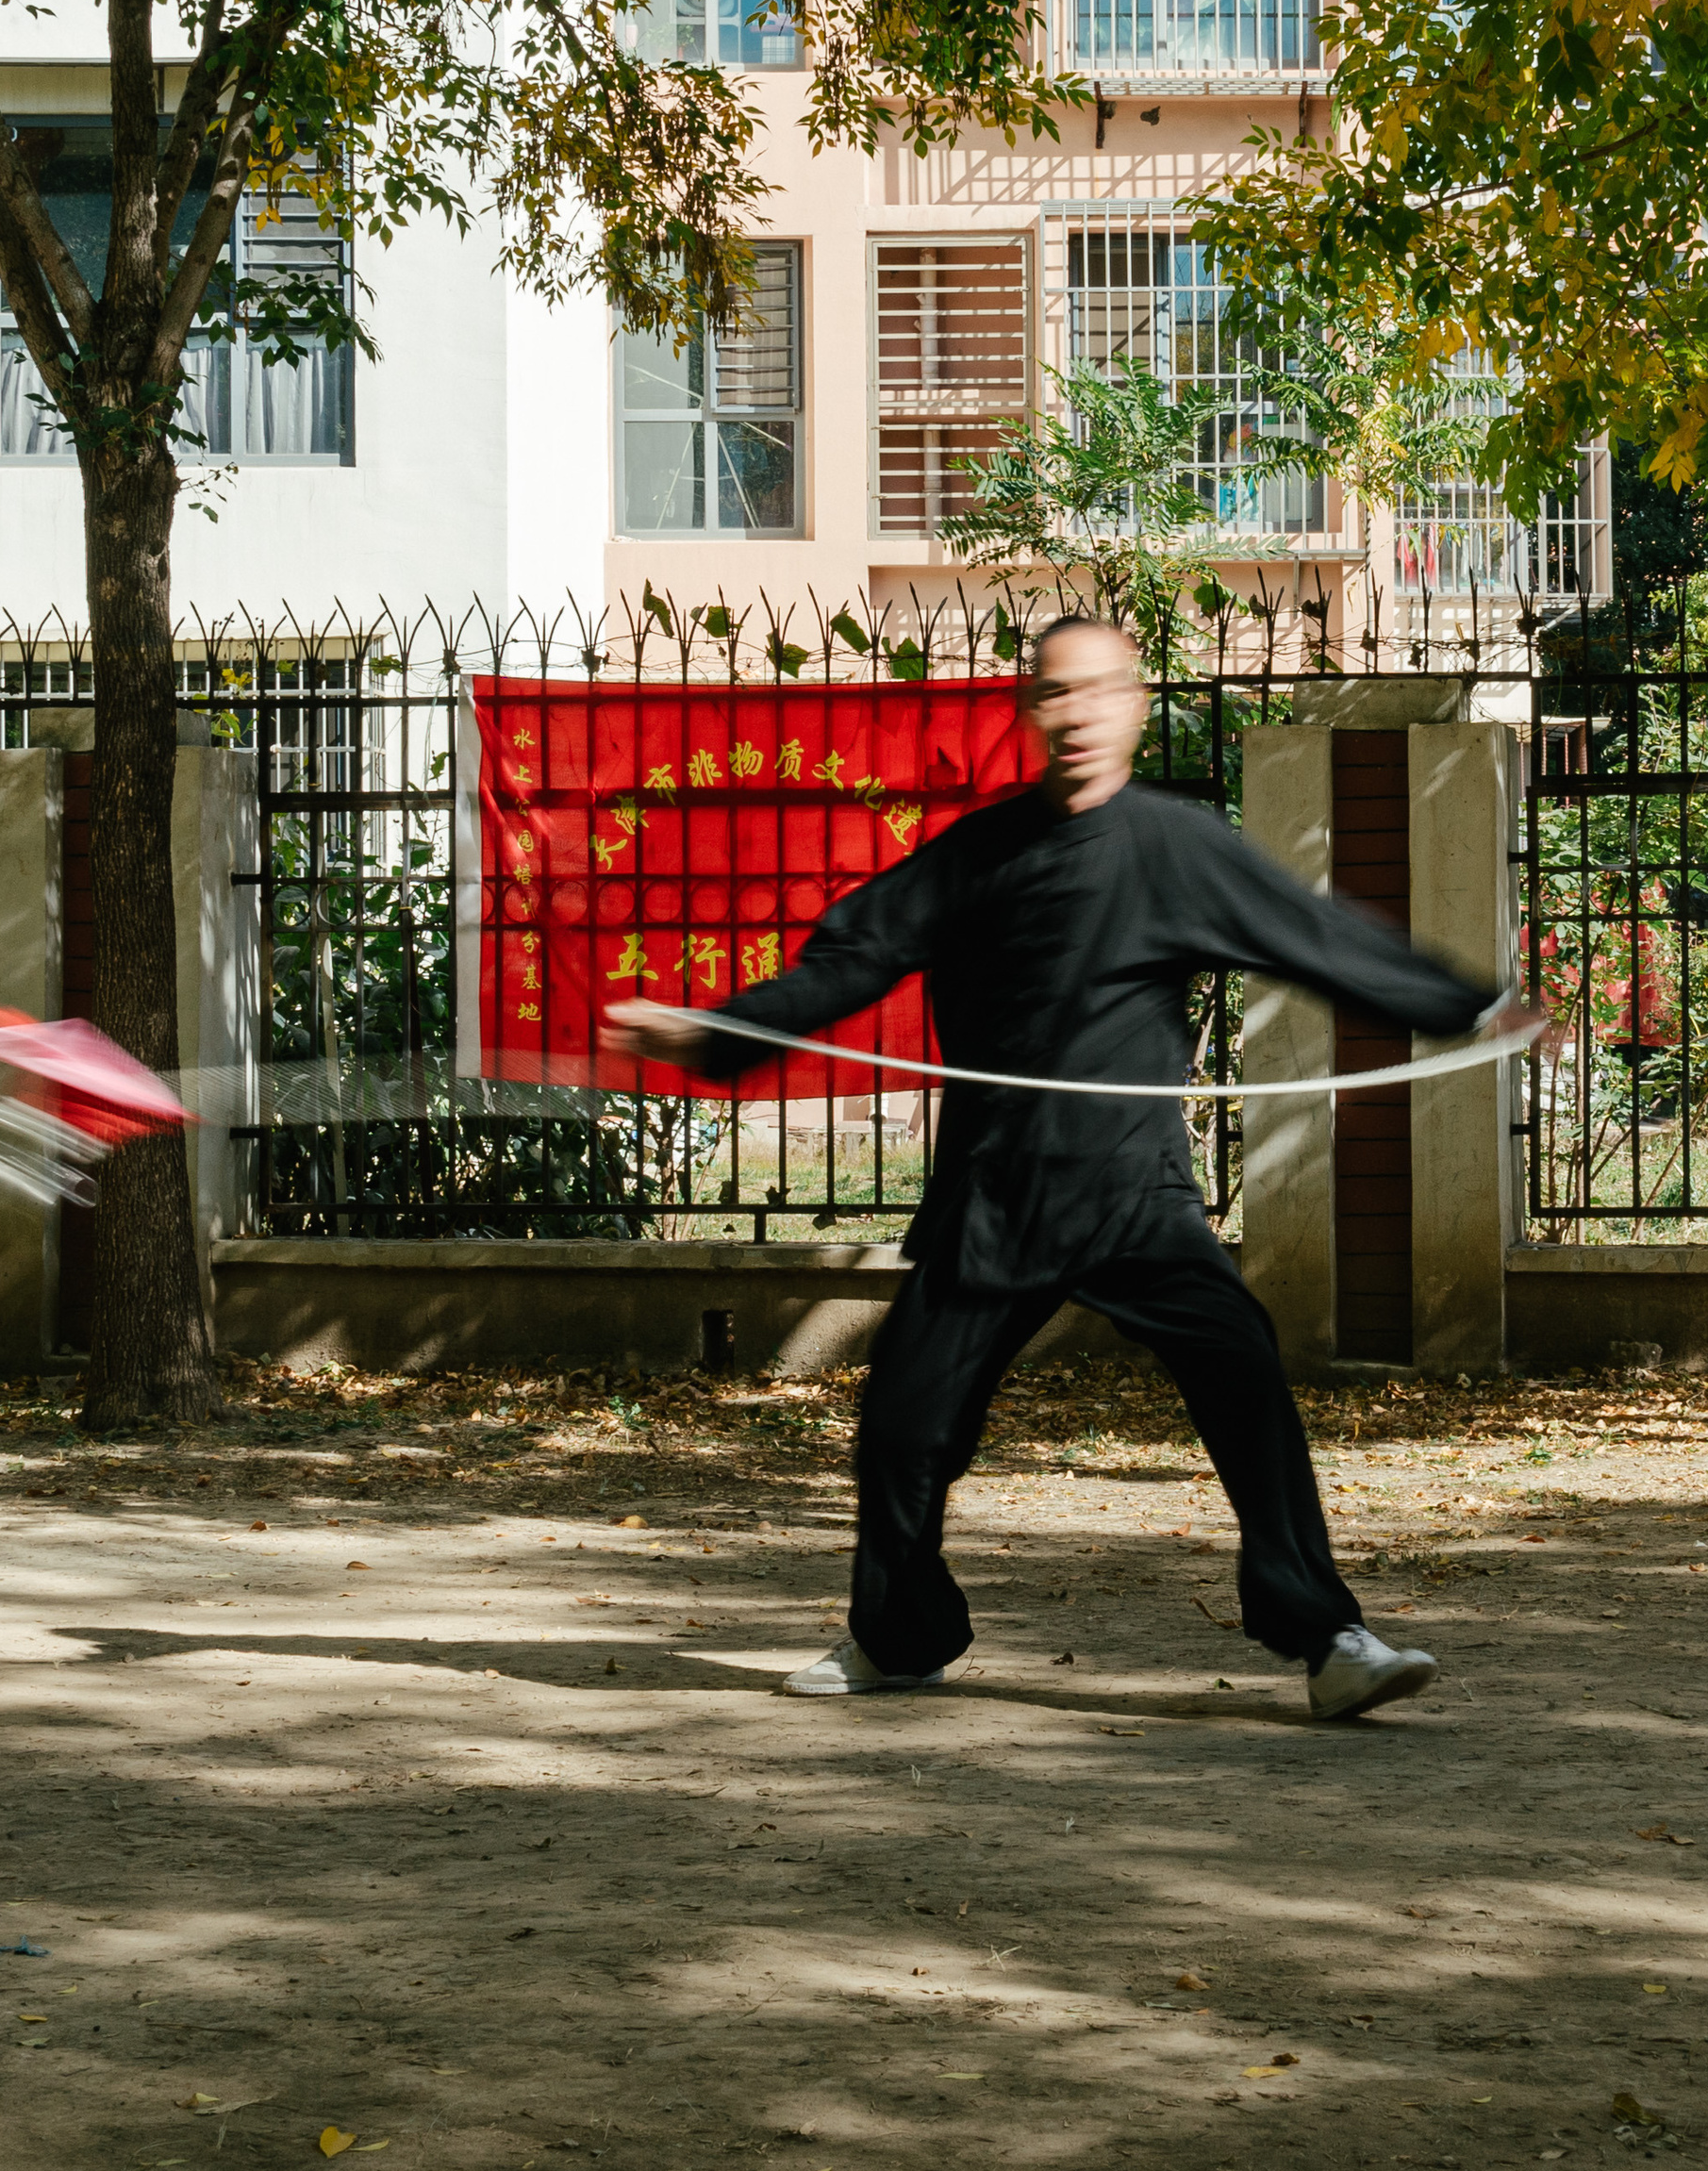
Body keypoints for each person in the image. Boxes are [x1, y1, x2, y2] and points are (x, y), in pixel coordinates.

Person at [604, 617, 1532, 1723]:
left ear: (1137, 704)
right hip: (992, 1196)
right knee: (903, 1424)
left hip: (1130, 1195)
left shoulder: (1177, 846)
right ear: (1026, 710)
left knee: (1243, 1375)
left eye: (1100, 691)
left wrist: (1469, 1006)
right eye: (1055, 692)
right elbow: (846, 962)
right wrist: (712, 1032)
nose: (1078, 713)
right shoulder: (976, 852)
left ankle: (1324, 1632)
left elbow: (1314, 935)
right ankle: (899, 1638)